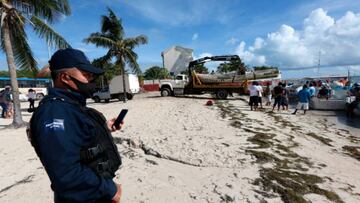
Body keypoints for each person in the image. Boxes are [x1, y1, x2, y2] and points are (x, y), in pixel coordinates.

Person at [27, 48, 122, 203]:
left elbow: (77, 135)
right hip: (85, 196)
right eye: (86, 75)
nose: (91, 80)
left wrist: (104, 128)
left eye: (91, 75)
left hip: (96, 190)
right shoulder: (54, 112)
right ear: (65, 77)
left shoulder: (71, 106)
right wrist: (110, 190)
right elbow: (66, 174)